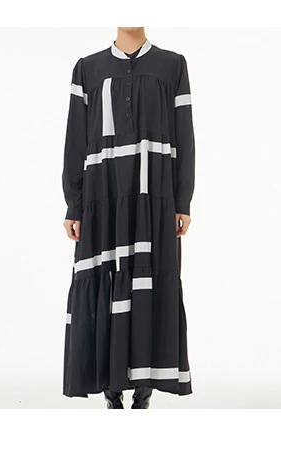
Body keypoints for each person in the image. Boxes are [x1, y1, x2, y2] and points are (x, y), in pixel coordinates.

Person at [61, 27, 194, 409]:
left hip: (154, 196)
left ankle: (144, 386)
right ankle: (111, 386)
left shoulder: (173, 66)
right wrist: (74, 203)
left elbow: (184, 136)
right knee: (107, 278)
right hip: (102, 195)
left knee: (148, 281)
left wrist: (182, 200)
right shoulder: (88, 69)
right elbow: (75, 140)